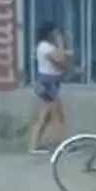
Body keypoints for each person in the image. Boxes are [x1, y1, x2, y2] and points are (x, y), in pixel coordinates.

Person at [27, 22, 72, 154]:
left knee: (45, 116)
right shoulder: (45, 47)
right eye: (56, 33)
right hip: (48, 83)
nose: (58, 35)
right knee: (57, 115)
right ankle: (64, 145)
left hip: (51, 82)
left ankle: (33, 145)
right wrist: (60, 43)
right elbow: (60, 60)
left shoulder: (48, 47)